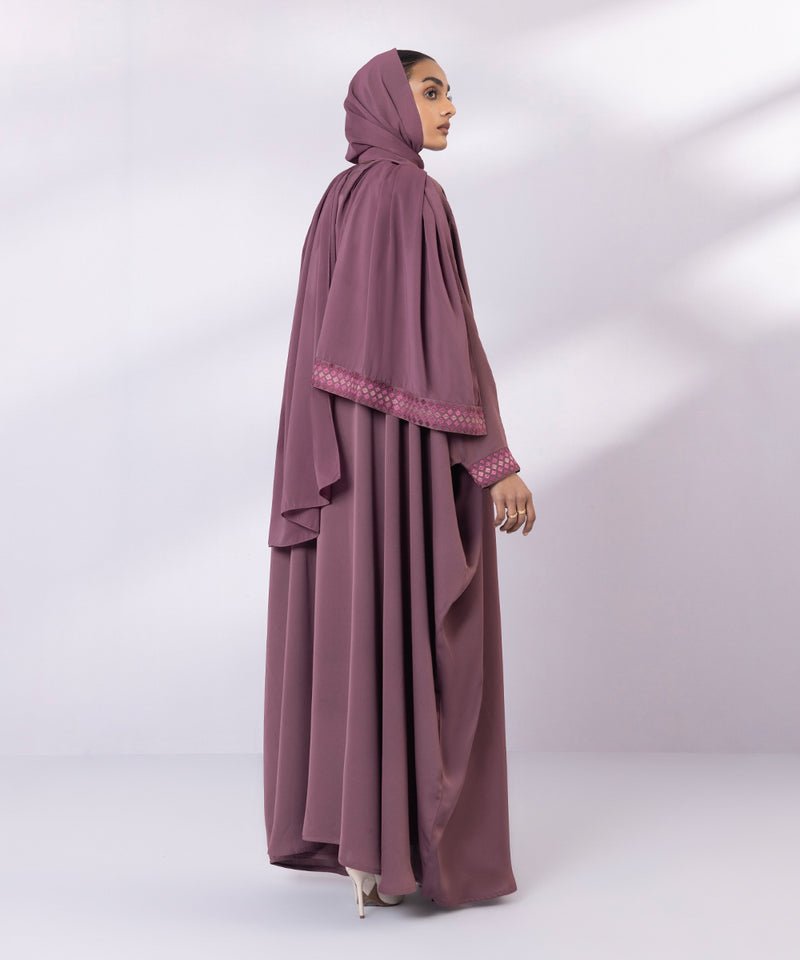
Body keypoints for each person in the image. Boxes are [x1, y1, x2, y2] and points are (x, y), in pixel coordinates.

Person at [263, 47, 536, 918]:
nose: (450, 106)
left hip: (345, 459)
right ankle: (408, 850)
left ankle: (366, 849)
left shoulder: (338, 199)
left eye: (450, 91)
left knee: (361, 630)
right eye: (431, 90)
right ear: (389, 100)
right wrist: (494, 459)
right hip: (404, 454)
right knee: (421, 631)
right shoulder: (414, 195)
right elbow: (447, 343)